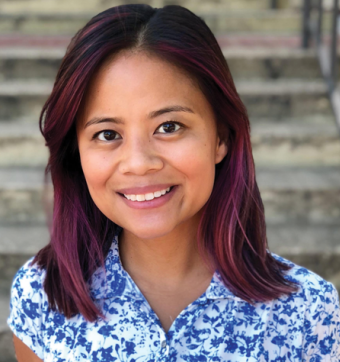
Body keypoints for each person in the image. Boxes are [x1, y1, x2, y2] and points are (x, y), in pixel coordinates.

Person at [7, 4, 340, 362]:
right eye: (107, 134)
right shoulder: (43, 294)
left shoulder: (309, 312)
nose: (139, 163)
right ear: (77, 153)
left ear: (220, 138)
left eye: (169, 127)